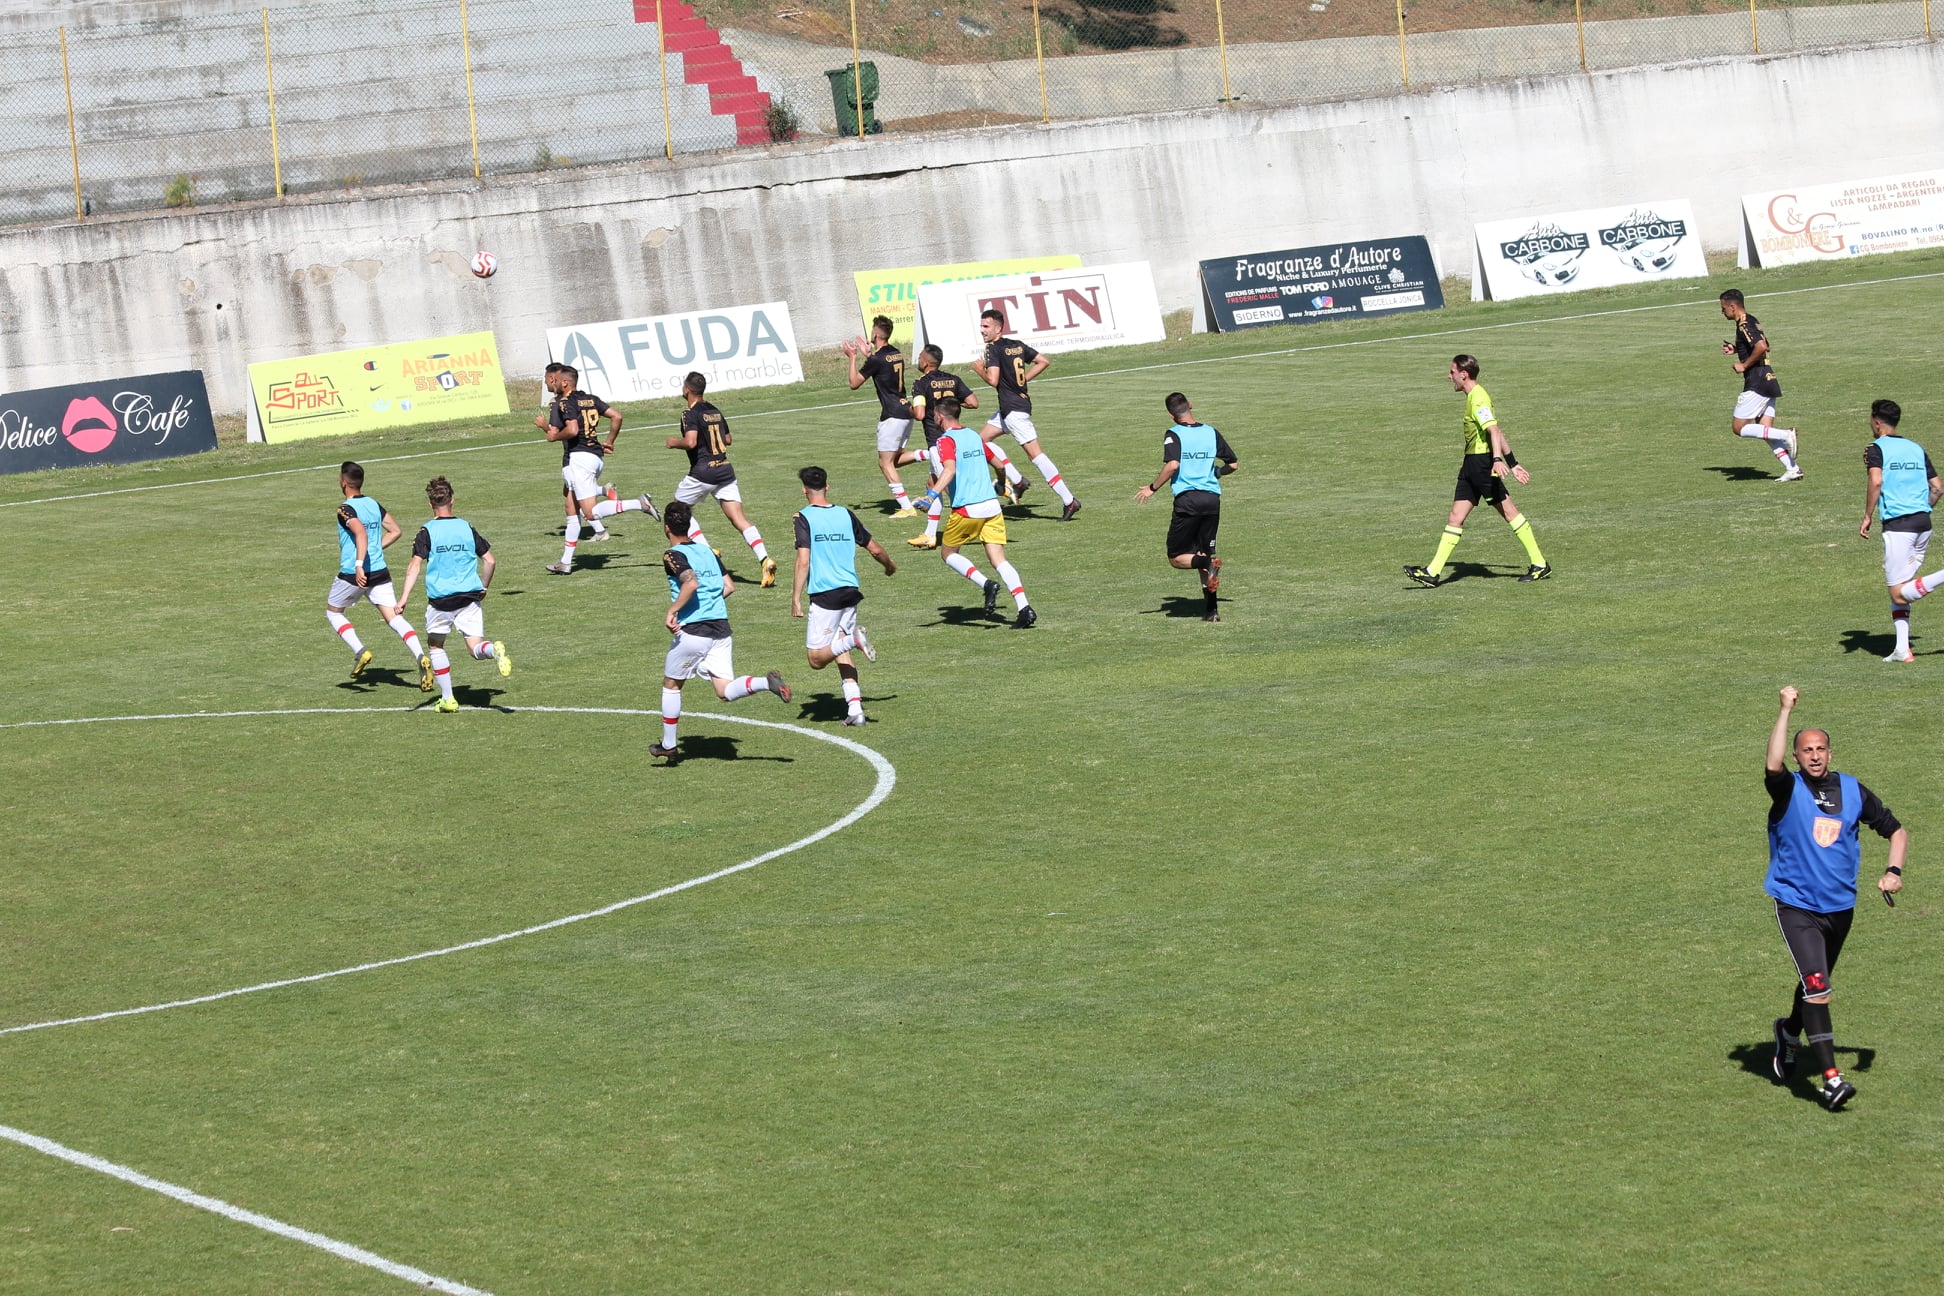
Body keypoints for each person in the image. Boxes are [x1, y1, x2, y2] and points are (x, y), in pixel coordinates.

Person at [1762, 686, 1904, 1111]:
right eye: (1806, 750)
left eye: (1821, 748)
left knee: (1812, 985)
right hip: (1796, 904)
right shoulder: (1788, 789)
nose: (1815, 755)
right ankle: (1830, 1080)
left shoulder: (1855, 791)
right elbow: (1772, 764)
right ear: (1798, 756)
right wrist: (1785, 709)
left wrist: (1893, 872)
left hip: (1840, 908)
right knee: (1820, 988)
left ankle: (1789, 1033)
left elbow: (1897, 831)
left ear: (1831, 752)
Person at [652, 500, 791, 762]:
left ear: (667, 528)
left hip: (694, 631)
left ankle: (669, 746)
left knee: (672, 685)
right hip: (721, 630)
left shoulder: (673, 555)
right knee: (724, 691)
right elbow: (729, 586)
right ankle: (766, 682)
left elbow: (690, 583)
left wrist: (673, 611)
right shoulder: (709, 553)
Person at [1404, 355, 1551, 587]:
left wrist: (1497, 460)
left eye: (1452, 372)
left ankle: (1540, 564)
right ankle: (1432, 573)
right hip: (1470, 466)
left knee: (1510, 513)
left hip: (1482, 465)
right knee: (1455, 517)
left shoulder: (1478, 398)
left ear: (1464, 374)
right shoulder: (1473, 397)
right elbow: (1497, 430)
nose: (1448, 376)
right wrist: (1512, 462)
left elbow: (1493, 431)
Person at [395, 476, 511, 713]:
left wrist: (404, 598)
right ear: (452, 501)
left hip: (441, 602)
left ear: (430, 505)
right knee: (475, 648)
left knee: (436, 645)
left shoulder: (426, 531)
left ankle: (448, 699)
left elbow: (414, 566)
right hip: (469, 597)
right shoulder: (466, 527)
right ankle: (493, 650)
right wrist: (483, 588)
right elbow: (490, 560)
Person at [791, 466, 896, 726]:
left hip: (826, 594)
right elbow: (873, 548)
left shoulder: (803, 517)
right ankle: (856, 709)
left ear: (804, 490)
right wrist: (889, 565)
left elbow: (803, 560)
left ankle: (854, 639)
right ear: (827, 486)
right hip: (850, 591)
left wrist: (795, 597)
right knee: (840, 649)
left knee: (816, 659)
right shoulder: (845, 514)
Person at [924, 397, 1036, 628]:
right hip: (992, 507)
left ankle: (986, 584)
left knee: (948, 553)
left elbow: (949, 470)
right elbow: (1000, 465)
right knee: (1000, 560)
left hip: (967, 509)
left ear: (941, 416)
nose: (933, 418)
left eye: (934, 414)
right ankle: (1024, 607)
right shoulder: (975, 436)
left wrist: (932, 495)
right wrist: (1001, 484)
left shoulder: (945, 441)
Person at [325, 461, 433, 691]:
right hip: (379, 572)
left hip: (354, 574)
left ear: (343, 482)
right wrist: (375, 550)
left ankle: (360, 651)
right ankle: (421, 656)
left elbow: (360, 533)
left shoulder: (344, 509)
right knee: (394, 618)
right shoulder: (373, 504)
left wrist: (358, 565)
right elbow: (395, 530)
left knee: (333, 612)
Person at [666, 371, 777, 588]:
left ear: (686, 389)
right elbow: (727, 439)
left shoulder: (689, 413)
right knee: (739, 519)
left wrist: (673, 442)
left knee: (678, 509)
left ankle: (707, 552)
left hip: (703, 471)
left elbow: (690, 442)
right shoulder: (714, 410)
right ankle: (765, 559)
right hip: (725, 470)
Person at [543, 363, 655, 574]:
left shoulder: (565, 402)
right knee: (571, 508)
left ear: (565, 382)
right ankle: (566, 562)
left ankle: (638, 503)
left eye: (556, 380)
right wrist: (610, 440)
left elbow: (572, 429)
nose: (554, 383)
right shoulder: (591, 399)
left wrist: (552, 435)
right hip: (596, 455)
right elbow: (617, 416)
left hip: (580, 458)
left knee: (591, 513)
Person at [1135, 392, 1238, 622]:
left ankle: (1207, 563)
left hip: (1188, 501)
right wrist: (1217, 473)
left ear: (1171, 415)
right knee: (1203, 551)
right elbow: (1233, 464)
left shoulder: (1174, 434)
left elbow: (1173, 465)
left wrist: (1152, 488)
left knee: (1176, 557)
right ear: (1190, 405)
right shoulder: (1211, 431)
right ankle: (1211, 611)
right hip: (1212, 500)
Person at [1857, 399, 1941, 663]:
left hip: (1899, 526)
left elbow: (1876, 480)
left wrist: (1868, 515)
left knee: (1897, 592)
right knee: (1903, 588)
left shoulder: (1875, 448)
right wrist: (1921, 508)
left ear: (1877, 422)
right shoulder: (1916, 447)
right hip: (1923, 523)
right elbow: (1937, 488)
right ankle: (1902, 649)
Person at [979, 308, 1080, 520]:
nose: (982, 330)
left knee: (1036, 456)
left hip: (1014, 411)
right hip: (1011, 408)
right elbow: (1044, 361)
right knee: (980, 442)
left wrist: (978, 368)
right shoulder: (1016, 345)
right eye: (981, 326)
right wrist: (1023, 380)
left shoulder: (992, 348)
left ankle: (1069, 500)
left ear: (998, 328)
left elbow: (993, 380)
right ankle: (1017, 481)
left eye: (986, 326)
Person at [906, 344, 1000, 549]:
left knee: (949, 487)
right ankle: (930, 535)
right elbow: (974, 402)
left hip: (938, 441)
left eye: (920, 357)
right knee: (932, 484)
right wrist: (954, 404)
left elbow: (920, 414)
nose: (918, 360)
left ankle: (982, 513)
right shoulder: (953, 379)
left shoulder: (920, 384)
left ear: (926, 362)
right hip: (956, 437)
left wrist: (908, 408)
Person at [1719, 288, 1802, 482]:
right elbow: (1765, 344)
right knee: (1765, 430)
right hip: (1768, 378)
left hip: (1757, 380)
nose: (1722, 312)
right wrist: (1737, 349)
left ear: (1732, 306)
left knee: (1738, 427)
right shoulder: (1752, 320)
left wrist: (1744, 364)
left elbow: (1762, 347)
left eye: (1723, 308)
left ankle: (1787, 434)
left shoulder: (1744, 324)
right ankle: (1793, 469)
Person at [844, 315, 920, 518]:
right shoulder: (896, 353)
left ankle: (906, 507)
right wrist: (869, 355)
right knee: (893, 460)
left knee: (885, 463)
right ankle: (927, 454)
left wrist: (853, 357)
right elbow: (883, 365)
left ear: (876, 333)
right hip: (906, 411)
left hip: (892, 415)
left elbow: (854, 383)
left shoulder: (876, 359)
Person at [535, 364, 611, 545]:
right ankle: (573, 551)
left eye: (547, 380)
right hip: (585, 452)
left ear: (556, 380)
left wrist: (543, 426)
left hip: (573, 455)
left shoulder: (558, 403)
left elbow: (556, 432)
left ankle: (605, 501)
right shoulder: (581, 399)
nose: (546, 384)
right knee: (569, 494)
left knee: (574, 500)